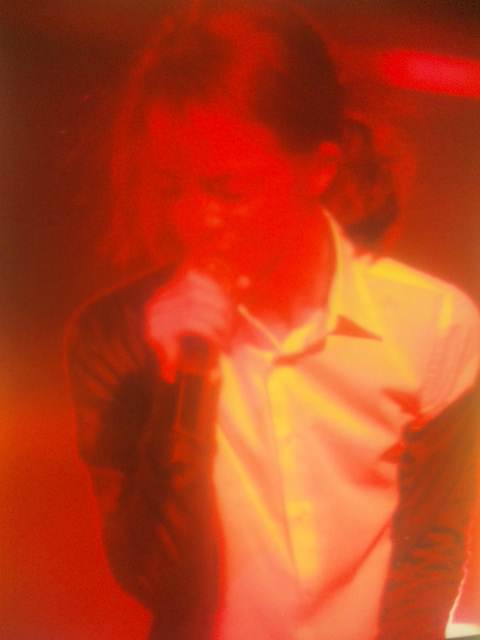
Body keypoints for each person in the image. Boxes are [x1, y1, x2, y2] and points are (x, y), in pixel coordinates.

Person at [66, 1, 480, 638]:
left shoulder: (433, 326)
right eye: (173, 187)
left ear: (320, 168)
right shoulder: (117, 338)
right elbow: (157, 580)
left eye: (227, 189)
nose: (196, 220)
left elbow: (429, 553)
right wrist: (182, 389)